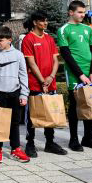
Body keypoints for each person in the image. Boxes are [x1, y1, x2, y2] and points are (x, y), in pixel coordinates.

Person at [57, 0, 92, 152]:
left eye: (84, 12)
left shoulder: (88, 29)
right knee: (75, 104)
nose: (83, 15)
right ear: (71, 12)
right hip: (74, 72)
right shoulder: (63, 30)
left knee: (89, 102)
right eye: (80, 12)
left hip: (89, 71)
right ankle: (73, 139)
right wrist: (81, 75)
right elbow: (66, 55)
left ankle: (88, 137)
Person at [21, 11, 66, 157]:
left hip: (50, 83)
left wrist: (51, 77)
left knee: (50, 112)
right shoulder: (28, 39)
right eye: (42, 21)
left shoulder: (49, 39)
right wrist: (42, 81)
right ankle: (30, 144)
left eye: (46, 20)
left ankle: (50, 143)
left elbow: (55, 60)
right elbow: (31, 63)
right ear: (35, 22)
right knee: (32, 115)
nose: (45, 23)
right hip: (35, 84)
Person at [0, 26, 30, 163]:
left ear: (9, 40)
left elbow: (23, 74)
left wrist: (24, 94)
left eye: (1, 40)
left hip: (15, 92)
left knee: (15, 123)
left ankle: (15, 149)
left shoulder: (18, 55)